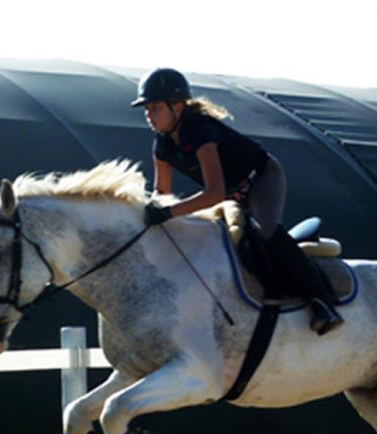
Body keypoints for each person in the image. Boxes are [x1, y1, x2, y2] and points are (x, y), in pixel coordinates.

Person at [132, 67, 343, 335]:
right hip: (234, 194)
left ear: (177, 106)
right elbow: (162, 194)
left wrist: (171, 212)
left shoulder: (201, 132)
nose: (149, 115)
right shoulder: (161, 145)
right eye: (146, 109)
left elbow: (214, 193)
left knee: (266, 230)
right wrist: (150, 214)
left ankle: (322, 301)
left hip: (261, 177)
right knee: (226, 241)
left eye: (155, 108)